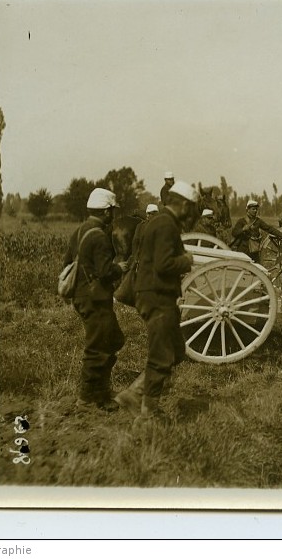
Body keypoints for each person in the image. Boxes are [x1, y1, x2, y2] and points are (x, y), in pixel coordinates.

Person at [115, 181, 199, 423]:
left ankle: (135, 393)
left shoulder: (159, 222)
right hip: (157, 295)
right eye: (190, 208)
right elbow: (164, 264)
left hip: (156, 293)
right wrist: (187, 260)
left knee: (175, 350)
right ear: (182, 204)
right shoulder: (166, 225)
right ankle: (147, 410)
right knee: (162, 355)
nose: (190, 213)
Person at [62, 187, 127, 411]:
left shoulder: (79, 231)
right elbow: (104, 271)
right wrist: (119, 268)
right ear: (107, 212)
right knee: (97, 346)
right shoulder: (100, 236)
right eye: (113, 212)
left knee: (113, 339)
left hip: (82, 297)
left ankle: (101, 391)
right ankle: (88, 398)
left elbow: (67, 262)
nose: (113, 216)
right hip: (95, 299)